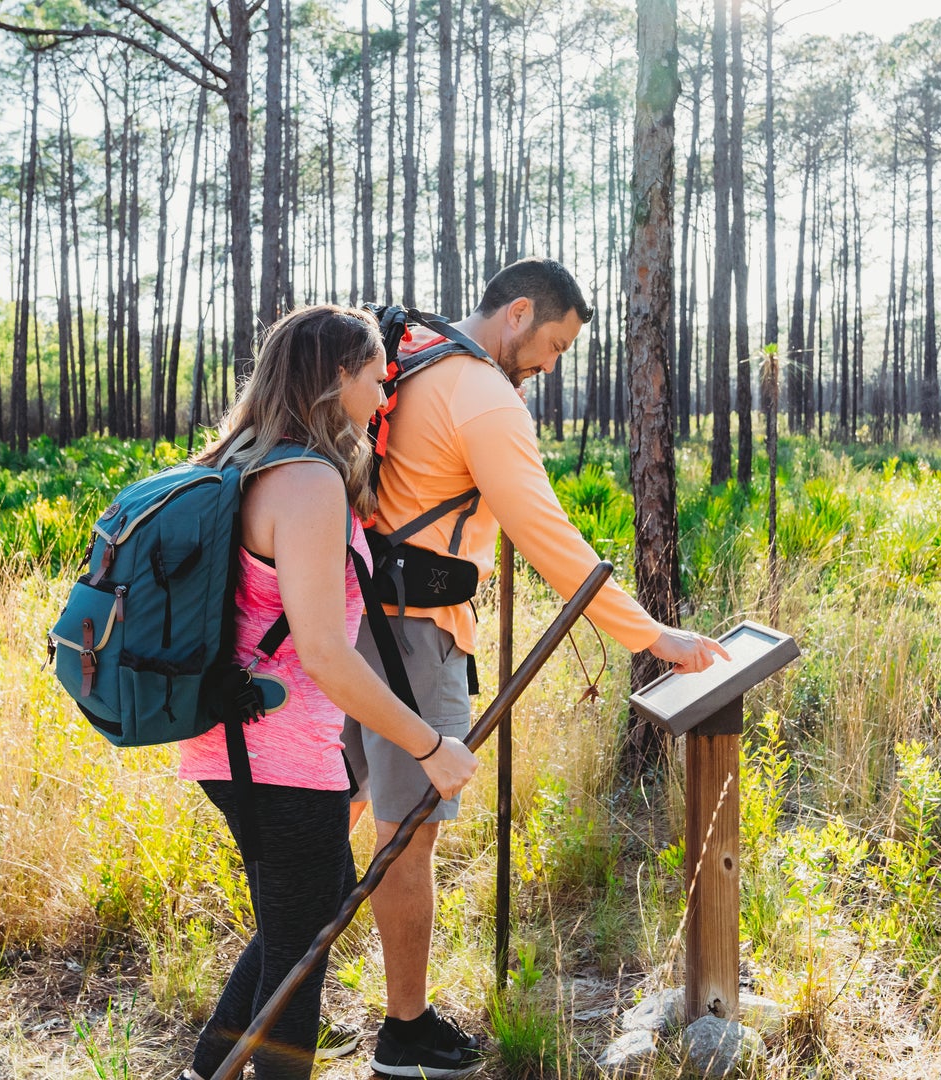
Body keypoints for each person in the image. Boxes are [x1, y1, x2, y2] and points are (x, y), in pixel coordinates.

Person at [342, 257, 727, 1079]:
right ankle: (406, 1033)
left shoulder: (414, 357)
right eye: (552, 344)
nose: (552, 365)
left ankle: (279, 983)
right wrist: (650, 636)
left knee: (332, 814)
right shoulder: (481, 390)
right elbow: (549, 535)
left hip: (355, 623)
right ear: (517, 313)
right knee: (407, 838)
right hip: (415, 636)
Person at [176, 305, 479, 1080]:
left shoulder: (244, 458)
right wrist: (430, 746)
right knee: (301, 951)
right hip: (276, 750)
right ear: (337, 374)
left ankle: (207, 1069)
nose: (385, 397)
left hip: (237, 740)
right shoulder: (308, 483)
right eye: (378, 376)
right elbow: (325, 655)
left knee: (305, 915)